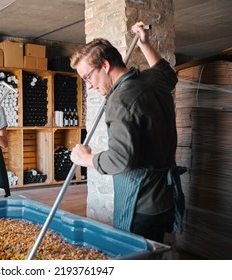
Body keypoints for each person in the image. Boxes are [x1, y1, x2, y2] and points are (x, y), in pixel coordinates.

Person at [69, 22, 181, 243]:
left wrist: (86, 158)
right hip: (164, 198)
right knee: (153, 254)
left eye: (87, 77)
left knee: (135, 259)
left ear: (105, 65)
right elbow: (168, 74)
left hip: (140, 203)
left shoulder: (120, 101)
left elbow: (120, 160)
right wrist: (145, 43)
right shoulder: (152, 80)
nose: (89, 86)